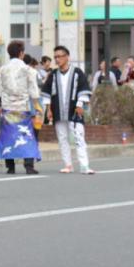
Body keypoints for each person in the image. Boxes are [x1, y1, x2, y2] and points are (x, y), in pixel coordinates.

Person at [42, 45, 95, 175]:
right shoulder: (53, 74)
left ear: (67, 57)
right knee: (62, 138)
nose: (57, 59)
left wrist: (80, 105)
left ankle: (84, 165)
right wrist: (48, 109)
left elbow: (83, 89)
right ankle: (68, 164)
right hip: (58, 110)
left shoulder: (77, 72)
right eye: (55, 57)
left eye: (59, 56)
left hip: (74, 110)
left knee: (79, 137)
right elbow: (47, 93)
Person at [0, 41, 41, 175]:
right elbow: (33, 90)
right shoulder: (28, 70)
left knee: (9, 135)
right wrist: (36, 104)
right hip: (23, 106)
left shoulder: (2, 69)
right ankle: (28, 165)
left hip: (8, 106)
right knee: (26, 135)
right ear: (21, 53)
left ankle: (10, 166)